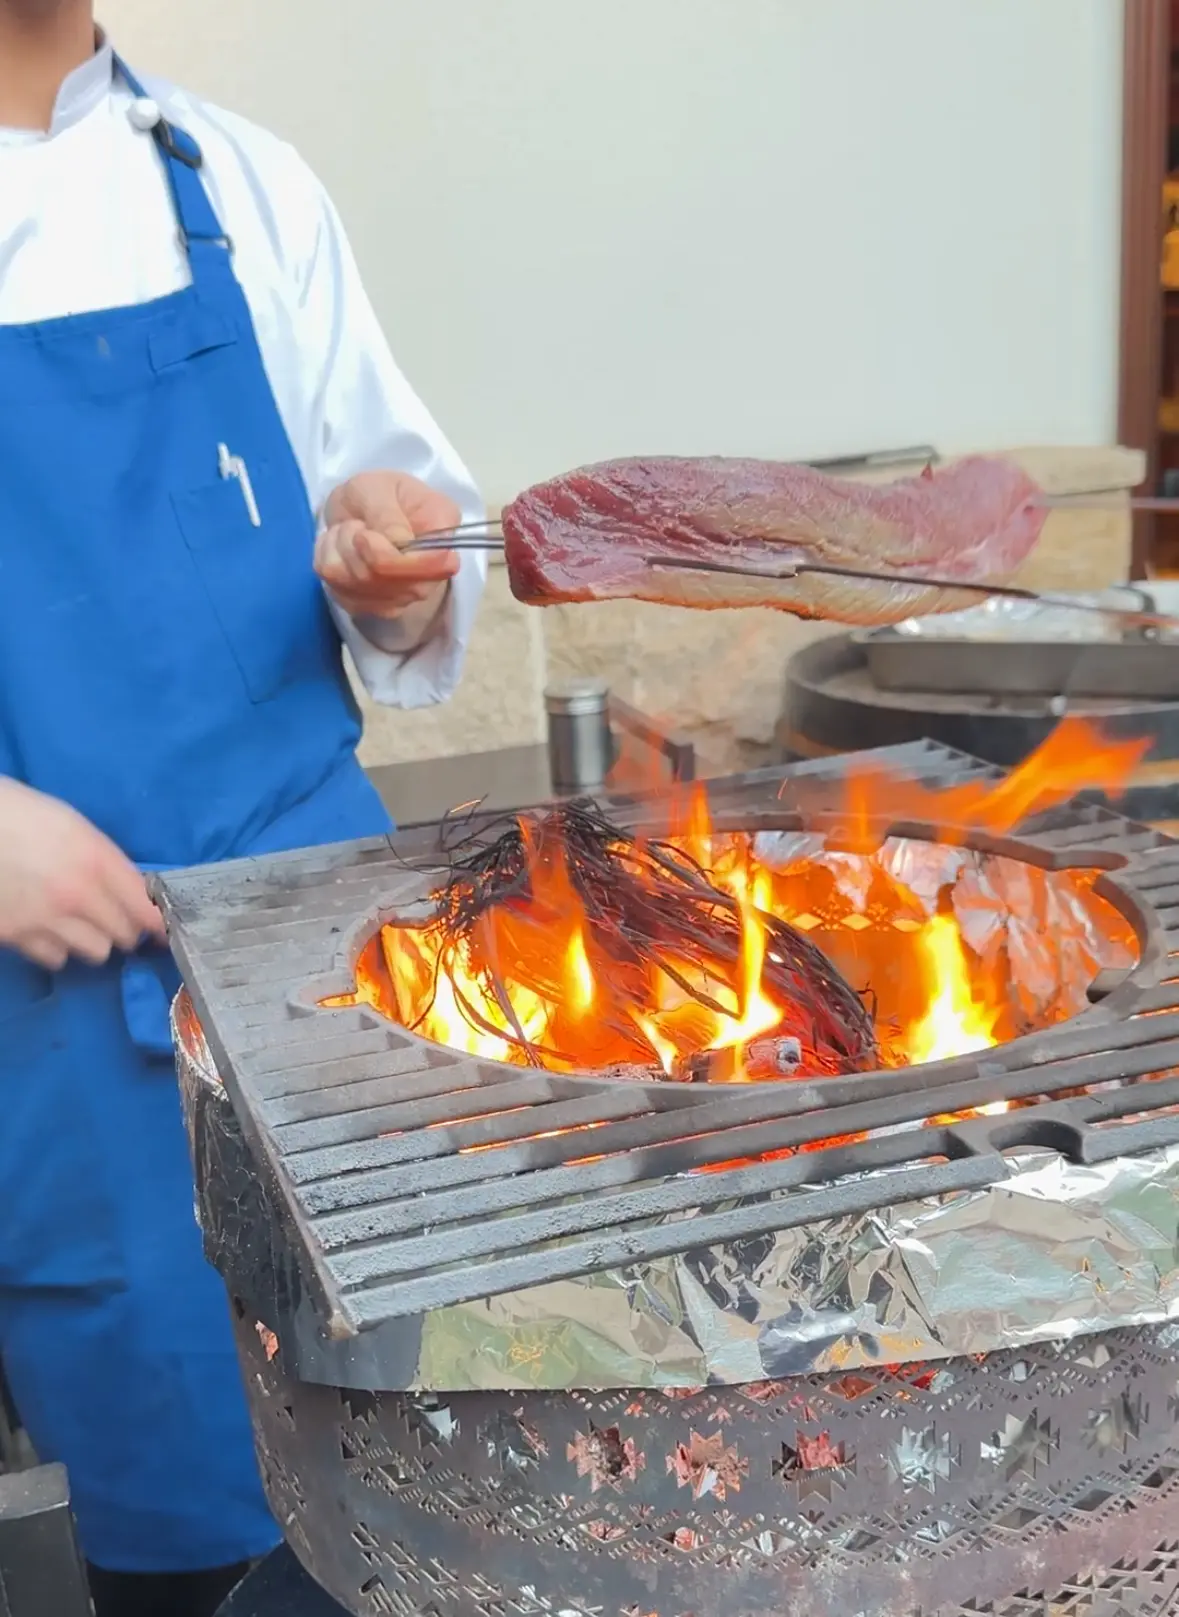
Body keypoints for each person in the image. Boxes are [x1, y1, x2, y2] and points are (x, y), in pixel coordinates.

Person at [0, 4, 487, 1614]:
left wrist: (395, 567)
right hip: (61, 1024)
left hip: (322, 961)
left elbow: (391, 525)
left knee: (431, 1485)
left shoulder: (236, 181)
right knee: (200, 1532)